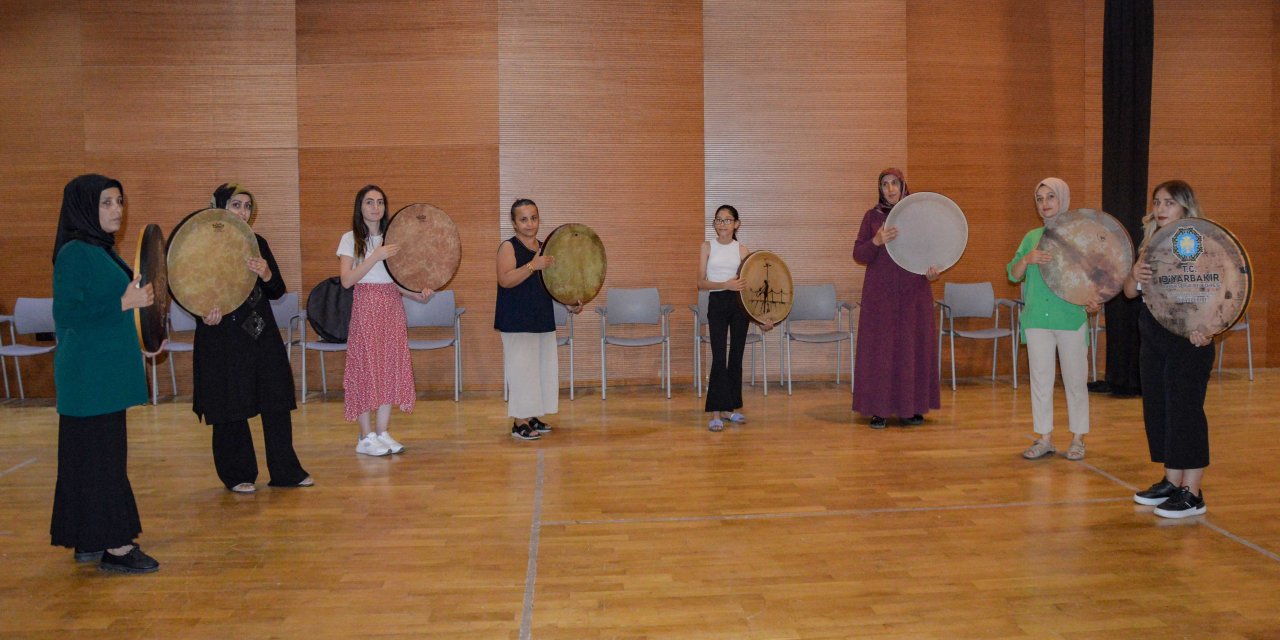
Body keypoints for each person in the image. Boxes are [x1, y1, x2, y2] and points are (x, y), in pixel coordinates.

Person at [50, 174, 162, 573]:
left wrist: (147, 329)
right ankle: (116, 546)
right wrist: (123, 301)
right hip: (89, 378)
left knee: (87, 461)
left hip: (103, 375)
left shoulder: (100, 250)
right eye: (106, 203)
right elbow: (66, 316)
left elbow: (119, 306)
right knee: (104, 462)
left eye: (119, 201)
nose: (117, 210)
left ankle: (89, 539)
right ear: (84, 208)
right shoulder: (75, 253)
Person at [194, 184, 311, 493]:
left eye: (247, 206)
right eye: (236, 205)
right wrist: (203, 312)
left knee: (275, 398)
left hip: (260, 333)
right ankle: (238, 474)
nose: (243, 212)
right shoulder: (201, 244)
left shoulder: (257, 242)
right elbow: (185, 287)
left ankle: (286, 471)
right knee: (230, 402)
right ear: (219, 207)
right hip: (221, 335)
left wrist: (267, 274)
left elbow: (278, 291)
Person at [1124, 180, 1213, 518]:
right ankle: (1172, 481)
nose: (1160, 209)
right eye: (1157, 202)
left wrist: (1208, 329)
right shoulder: (1151, 244)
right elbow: (1130, 292)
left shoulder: (1198, 245)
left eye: (1169, 203)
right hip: (1154, 340)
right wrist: (1134, 273)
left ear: (1185, 208)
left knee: (1186, 412)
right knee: (1161, 411)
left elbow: (1220, 291)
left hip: (1188, 342)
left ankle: (1193, 492)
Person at [1007, 178, 1100, 461]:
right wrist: (1027, 259)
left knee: (1075, 381)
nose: (1045, 204)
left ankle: (1078, 437)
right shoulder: (1031, 237)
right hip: (1036, 319)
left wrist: (1094, 301)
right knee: (1041, 380)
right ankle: (1044, 437)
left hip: (1071, 319)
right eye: (1040, 198)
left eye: (1051, 197)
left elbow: (1094, 279)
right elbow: (1013, 273)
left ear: (1063, 199)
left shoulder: (1079, 237)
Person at [338, 185, 431, 456]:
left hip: (391, 304)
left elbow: (394, 280)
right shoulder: (349, 239)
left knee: (391, 363)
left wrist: (417, 295)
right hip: (366, 304)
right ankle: (364, 436)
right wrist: (374, 256)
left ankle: (382, 431)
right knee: (366, 366)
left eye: (379, 202)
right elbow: (347, 280)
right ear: (360, 207)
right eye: (369, 202)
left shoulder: (393, 238)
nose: (375, 207)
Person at [852, 168, 941, 429]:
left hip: (914, 293)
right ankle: (878, 409)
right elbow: (859, 254)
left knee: (911, 348)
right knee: (880, 351)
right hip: (881, 296)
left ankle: (911, 408)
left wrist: (933, 271)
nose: (890, 189)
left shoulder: (918, 217)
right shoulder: (872, 217)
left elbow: (932, 253)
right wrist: (876, 240)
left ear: (904, 186)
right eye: (885, 184)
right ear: (880, 189)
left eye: (894, 183)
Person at [495, 199, 581, 441]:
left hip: (542, 318)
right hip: (516, 320)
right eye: (523, 219)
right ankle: (518, 422)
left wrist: (570, 304)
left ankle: (532, 415)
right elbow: (505, 280)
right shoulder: (508, 247)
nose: (530, 223)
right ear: (514, 223)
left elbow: (553, 285)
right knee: (522, 371)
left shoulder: (546, 248)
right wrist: (533, 265)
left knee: (541, 371)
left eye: (533, 218)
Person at [697, 205, 773, 432]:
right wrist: (725, 285)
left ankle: (731, 409)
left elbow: (750, 289)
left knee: (736, 356)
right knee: (719, 357)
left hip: (739, 305)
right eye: (718, 220)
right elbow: (700, 283)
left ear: (736, 224)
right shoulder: (707, 246)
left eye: (727, 220)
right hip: (717, 302)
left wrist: (760, 320)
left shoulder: (742, 250)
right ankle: (715, 412)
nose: (722, 224)